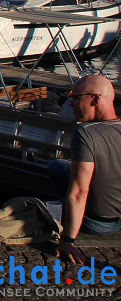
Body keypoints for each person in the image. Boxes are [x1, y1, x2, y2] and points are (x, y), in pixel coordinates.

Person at [50, 74, 121, 265]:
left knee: (55, 166)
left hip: (98, 224)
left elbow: (80, 191)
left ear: (95, 99)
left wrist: (68, 240)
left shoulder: (86, 132)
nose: (71, 104)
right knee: (60, 166)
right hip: (117, 217)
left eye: (75, 97)